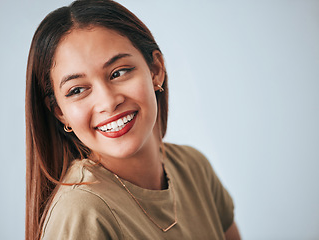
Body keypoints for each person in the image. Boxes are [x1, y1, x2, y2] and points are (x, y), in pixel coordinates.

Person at [25, 0, 241, 239]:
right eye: (77, 90)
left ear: (155, 69)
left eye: (119, 72)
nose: (108, 102)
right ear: (59, 112)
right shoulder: (82, 212)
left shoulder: (194, 167)